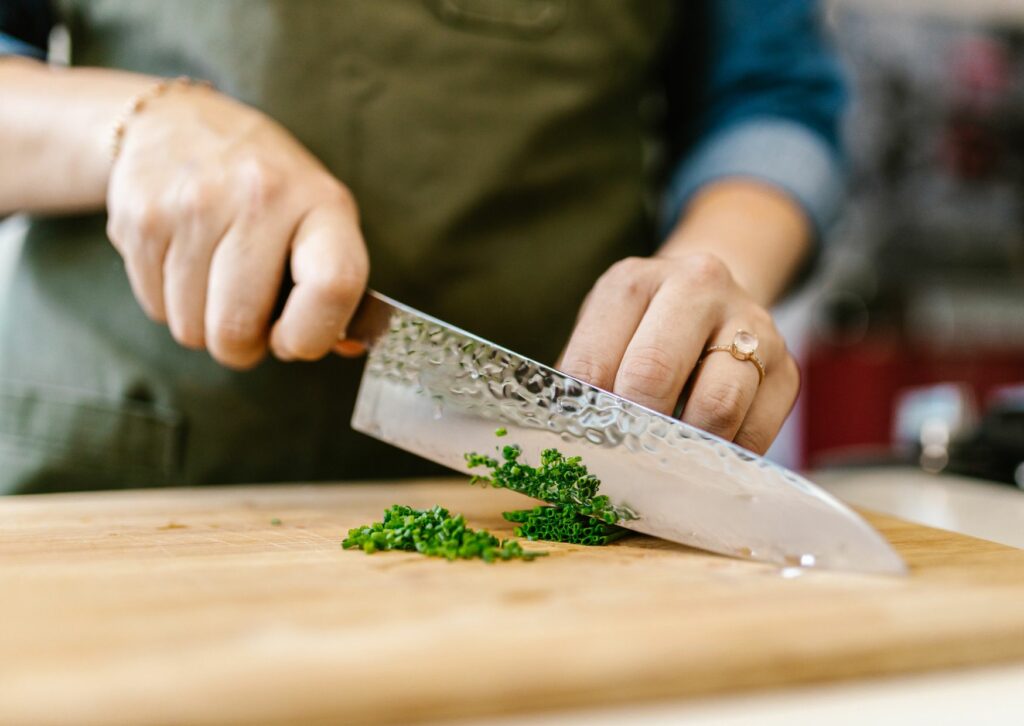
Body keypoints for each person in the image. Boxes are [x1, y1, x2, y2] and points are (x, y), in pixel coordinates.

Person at [0, 0, 845, 494]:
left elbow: (769, 96)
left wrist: (714, 274)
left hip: (540, 481)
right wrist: (134, 129)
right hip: (112, 475)